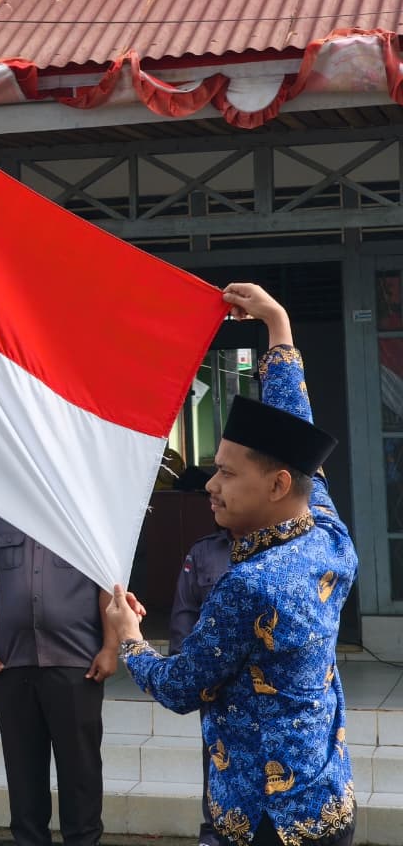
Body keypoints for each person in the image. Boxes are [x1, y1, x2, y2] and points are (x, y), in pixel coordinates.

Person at [107, 282, 356, 846]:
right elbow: (296, 435)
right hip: (327, 800)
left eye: (226, 473)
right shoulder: (329, 534)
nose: (211, 486)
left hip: (261, 819)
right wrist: (277, 325)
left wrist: (129, 639)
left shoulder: (249, 585)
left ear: (277, 485)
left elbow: (180, 688)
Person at [0, 512, 117, 846]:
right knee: (23, 773)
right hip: (12, 664)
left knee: (80, 772)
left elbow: (108, 585)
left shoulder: (85, 516)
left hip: (76, 665)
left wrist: (110, 647)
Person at [170, 526, 232, 846]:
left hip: (267, 697)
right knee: (216, 764)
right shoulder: (204, 552)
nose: (213, 500)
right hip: (216, 692)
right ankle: (213, 835)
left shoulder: (288, 547)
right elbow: (185, 616)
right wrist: (185, 674)